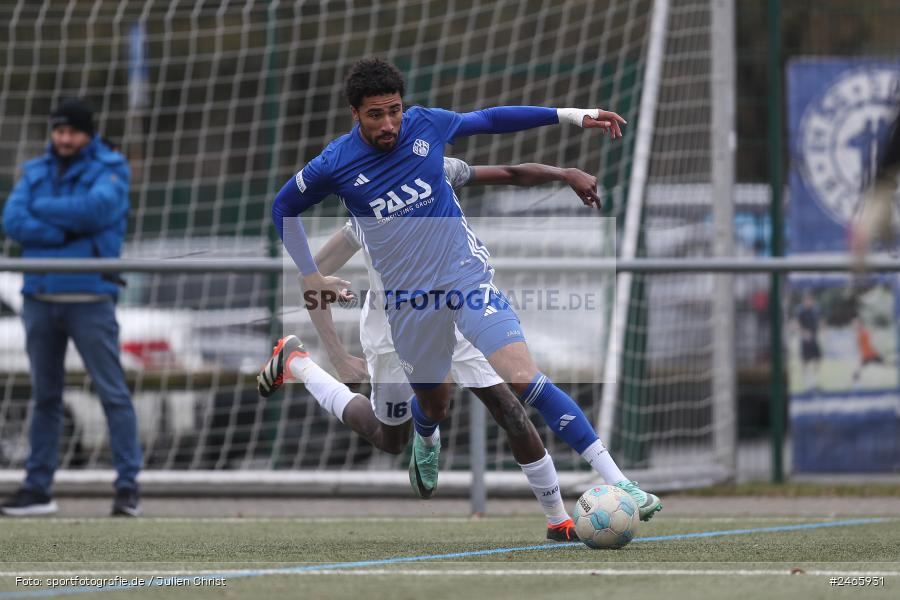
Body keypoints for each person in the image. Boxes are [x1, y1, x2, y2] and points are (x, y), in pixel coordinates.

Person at [271, 57, 661, 520]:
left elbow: (494, 125)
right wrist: (325, 323)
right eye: (376, 114)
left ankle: (613, 485)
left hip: (465, 280)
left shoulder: (427, 134)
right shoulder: (337, 168)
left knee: (518, 384)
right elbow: (285, 208)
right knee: (404, 426)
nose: (389, 123)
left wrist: (572, 120)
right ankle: (305, 367)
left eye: (395, 110)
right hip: (404, 310)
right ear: (355, 113)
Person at [259, 156, 600, 540]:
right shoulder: (367, 218)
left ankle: (558, 521)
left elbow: (507, 171)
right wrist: (336, 354)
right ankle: (298, 362)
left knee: (509, 408)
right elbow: (313, 279)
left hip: (457, 310)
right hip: (393, 332)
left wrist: (563, 171)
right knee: (390, 439)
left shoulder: (439, 172)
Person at [0, 98, 142, 517]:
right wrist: (69, 232)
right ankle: (38, 488)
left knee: (112, 392)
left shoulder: (112, 168)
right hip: (39, 298)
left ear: (88, 133)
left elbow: (97, 210)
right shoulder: (35, 170)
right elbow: (12, 219)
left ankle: (127, 488)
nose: (64, 138)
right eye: (58, 131)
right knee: (45, 397)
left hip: (90, 299)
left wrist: (43, 220)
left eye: (72, 131)